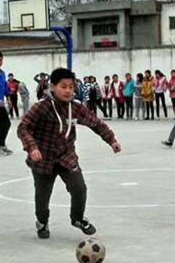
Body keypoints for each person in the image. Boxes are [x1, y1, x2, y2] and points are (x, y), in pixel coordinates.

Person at [17, 67, 121, 239]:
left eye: (71, 87)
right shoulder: (41, 107)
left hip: (67, 157)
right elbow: (23, 127)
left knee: (79, 188)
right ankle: (42, 222)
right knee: (42, 198)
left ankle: (78, 219)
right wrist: (32, 147)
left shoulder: (76, 107)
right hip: (43, 159)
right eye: (63, 86)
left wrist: (112, 140)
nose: (68, 91)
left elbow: (95, 123)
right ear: (52, 87)